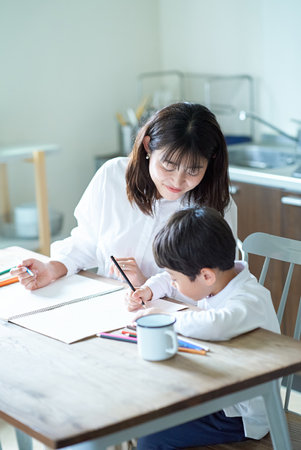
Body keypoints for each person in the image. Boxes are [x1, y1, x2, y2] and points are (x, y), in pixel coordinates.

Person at [12, 102, 237, 294]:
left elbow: (217, 287)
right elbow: (86, 242)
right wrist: (52, 268)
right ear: (149, 146)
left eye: (193, 171)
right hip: (107, 302)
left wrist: (147, 288)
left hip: (177, 320)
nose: (178, 182)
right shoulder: (113, 176)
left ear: (211, 159)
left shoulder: (215, 204)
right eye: (168, 166)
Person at [127, 206, 280, 449]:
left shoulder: (250, 299)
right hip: (218, 391)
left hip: (241, 414)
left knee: (150, 437)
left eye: (176, 280)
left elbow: (216, 324)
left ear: (206, 276)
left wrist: (167, 319)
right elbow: (171, 278)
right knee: (139, 407)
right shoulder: (217, 280)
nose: (174, 285)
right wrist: (150, 289)